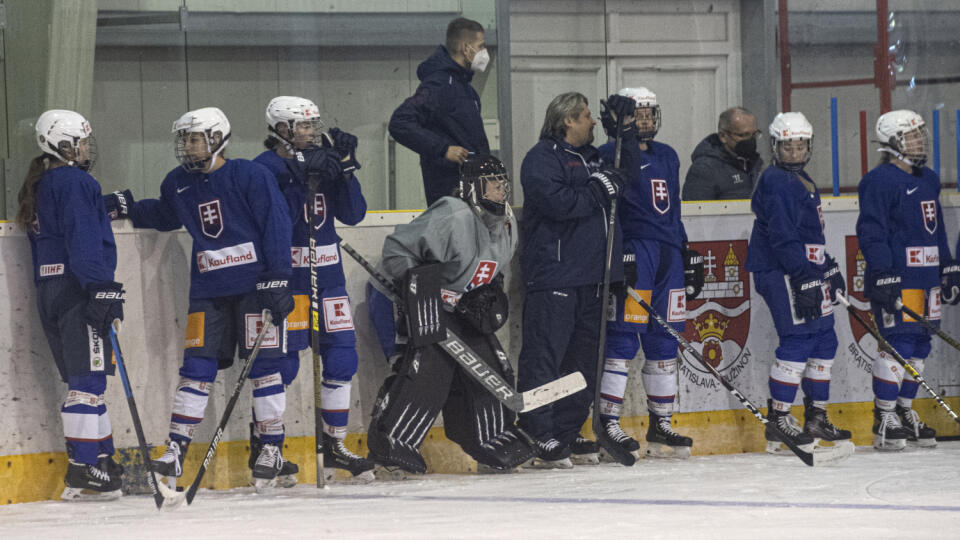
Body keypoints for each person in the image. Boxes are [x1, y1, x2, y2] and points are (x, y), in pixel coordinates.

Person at [103, 107, 296, 489]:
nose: (187, 146)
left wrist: (278, 278)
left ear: (217, 138)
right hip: (208, 292)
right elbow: (164, 214)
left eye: (194, 138)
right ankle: (175, 450)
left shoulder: (249, 174)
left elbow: (276, 222)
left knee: (264, 369)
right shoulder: (178, 182)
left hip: (256, 289)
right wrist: (127, 206)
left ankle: (271, 449)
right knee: (196, 369)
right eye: (185, 139)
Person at [366, 155, 535, 475]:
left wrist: (486, 294)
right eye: (492, 184)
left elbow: (490, 271)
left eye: (502, 183)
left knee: (491, 368)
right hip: (405, 298)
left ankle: (488, 438)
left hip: (456, 307)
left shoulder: (507, 222)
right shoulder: (453, 214)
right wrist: (420, 288)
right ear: (472, 188)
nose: (500, 190)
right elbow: (395, 251)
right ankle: (391, 444)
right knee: (429, 369)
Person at [253, 96, 374, 482]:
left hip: (329, 277)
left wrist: (347, 171)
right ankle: (269, 448)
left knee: (341, 358)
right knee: (279, 365)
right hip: (287, 280)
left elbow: (354, 214)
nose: (310, 132)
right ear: (281, 130)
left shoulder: (325, 162)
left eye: (311, 125)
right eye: (301, 126)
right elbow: (269, 218)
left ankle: (335, 445)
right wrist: (299, 170)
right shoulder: (264, 168)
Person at [515, 91, 627, 468]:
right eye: (587, 116)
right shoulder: (540, 158)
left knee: (584, 363)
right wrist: (596, 189)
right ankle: (536, 432)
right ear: (567, 121)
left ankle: (563, 433)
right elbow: (559, 204)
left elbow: (624, 189)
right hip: (555, 276)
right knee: (544, 359)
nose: (593, 122)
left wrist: (624, 129)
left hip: (593, 279)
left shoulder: (594, 158)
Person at [18, 109, 125, 500]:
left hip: (51, 289)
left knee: (86, 380)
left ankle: (101, 457)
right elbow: (83, 239)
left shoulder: (41, 183)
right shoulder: (75, 182)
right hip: (79, 288)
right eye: (79, 142)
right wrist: (102, 288)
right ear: (63, 145)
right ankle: (83, 467)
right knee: (88, 381)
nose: (84, 149)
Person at [596, 87, 703, 462]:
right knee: (624, 339)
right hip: (636, 253)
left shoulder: (669, 155)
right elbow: (610, 211)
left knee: (665, 340)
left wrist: (686, 252)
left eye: (647, 114)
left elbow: (673, 211)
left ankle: (660, 423)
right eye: (636, 115)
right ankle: (607, 422)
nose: (644, 121)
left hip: (668, 257)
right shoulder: (610, 153)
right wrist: (620, 253)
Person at [745, 112, 852, 454]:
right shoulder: (776, 180)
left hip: (803, 270)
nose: (794, 151)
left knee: (824, 339)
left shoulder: (802, 179)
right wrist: (806, 277)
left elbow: (809, 235)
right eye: (787, 146)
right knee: (798, 338)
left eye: (800, 144)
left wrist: (828, 267)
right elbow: (782, 236)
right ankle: (778, 420)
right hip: (781, 271)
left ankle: (816, 417)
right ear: (775, 147)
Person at [856, 109, 960, 451]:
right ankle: (883, 417)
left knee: (919, 347)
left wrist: (948, 266)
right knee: (898, 343)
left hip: (926, 277)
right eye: (911, 136)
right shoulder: (878, 180)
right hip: (899, 279)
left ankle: (904, 411)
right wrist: (883, 273)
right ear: (892, 143)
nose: (918, 141)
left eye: (919, 134)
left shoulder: (928, 178)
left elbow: (937, 229)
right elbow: (871, 232)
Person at [389, 17, 491, 205]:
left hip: (475, 193)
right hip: (451, 195)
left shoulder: (468, 91)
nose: (484, 53)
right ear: (465, 47)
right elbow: (400, 122)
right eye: (481, 46)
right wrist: (443, 149)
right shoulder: (439, 85)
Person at [682, 107, 763, 201]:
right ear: (723, 136)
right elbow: (697, 213)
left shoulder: (757, 164)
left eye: (754, 134)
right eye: (743, 135)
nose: (750, 140)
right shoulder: (705, 169)